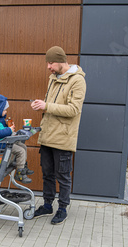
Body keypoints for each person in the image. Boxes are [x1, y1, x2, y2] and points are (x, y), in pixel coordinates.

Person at [30, 46, 87, 225]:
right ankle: (48, 205)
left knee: (62, 176)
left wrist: (46, 106)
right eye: (47, 63)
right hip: (47, 135)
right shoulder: (53, 78)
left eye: (51, 63)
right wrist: (41, 105)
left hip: (63, 138)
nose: (48, 67)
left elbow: (73, 110)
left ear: (61, 61)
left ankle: (62, 209)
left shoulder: (78, 81)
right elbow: (51, 105)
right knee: (47, 174)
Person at [0, 93, 34, 184]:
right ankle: (20, 174)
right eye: (4, 110)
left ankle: (22, 166)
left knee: (23, 146)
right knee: (20, 151)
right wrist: (9, 130)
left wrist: (10, 129)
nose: (6, 111)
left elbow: (3, 130)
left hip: (4, 141)